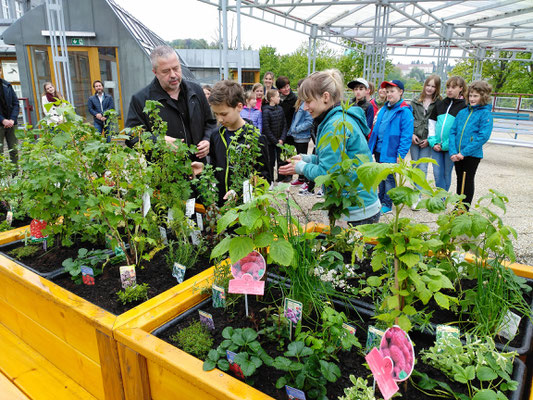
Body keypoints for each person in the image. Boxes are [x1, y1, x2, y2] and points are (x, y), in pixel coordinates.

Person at [279, 69, 380, 227]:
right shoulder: (336, 118)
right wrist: (307, 159)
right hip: (358, 206)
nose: (305, 107)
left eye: (308, 101)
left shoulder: (334, 125)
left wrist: (301, 168)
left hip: (356, 211)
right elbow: (335, 161)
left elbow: (327, 173)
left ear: (325, 97)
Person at [125, 45, 215, 159]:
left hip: (199, 166)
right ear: (155, 72)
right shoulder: (141, 100)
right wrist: (158, 142)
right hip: (164, 168)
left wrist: (208, 140)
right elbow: (132, 137)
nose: (173, 75)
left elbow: (210, 123)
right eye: (166, 71)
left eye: (176, 68)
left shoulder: (196, 91)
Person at [207, 80, 270, 205]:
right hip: (222, 203)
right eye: (216, 114)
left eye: (224, 114)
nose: (219, 119)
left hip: (246, 206)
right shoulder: (216, 135)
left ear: (239, 107)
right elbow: (215, 168)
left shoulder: (255, 138)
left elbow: (264, 179)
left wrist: (240, 192)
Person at [368, 80, 414, 215]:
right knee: (380, 176)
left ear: (401, 92)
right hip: (379, 149)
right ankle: (380, 198)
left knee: (389, 178)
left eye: (392, 91)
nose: (389, 94)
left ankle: (387, 203)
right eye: (387, 91)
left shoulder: (404, 111)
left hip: (391, 150)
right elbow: (376, 128)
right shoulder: (384, 108)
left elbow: (406, 135)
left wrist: (401, 154)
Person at [449, 80, 493, 210]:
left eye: (476, 96)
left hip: (471, 155)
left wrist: (464, 152)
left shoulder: (485, 114)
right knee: (459, 180)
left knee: (467, 181)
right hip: (457, 154)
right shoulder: (462, 112)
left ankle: (464, 209)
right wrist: (453, 151)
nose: (472, 99)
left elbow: (483, 136)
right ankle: (458, 207)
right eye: (470, 95)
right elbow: (453, 131)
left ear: (483, 97)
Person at [427, 76, 467, 191]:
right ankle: (440, 196)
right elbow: (432, 123)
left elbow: (460, 130)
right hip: (436, 145)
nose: (449, 90)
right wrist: (433, 142)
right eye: (448, 87)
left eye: (453, 87)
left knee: (446, 173)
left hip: (451, 147)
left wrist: (446, 144)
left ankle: (442, 197)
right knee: (437, 172)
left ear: (461, 88)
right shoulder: (440, 104)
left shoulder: (464, 107)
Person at [409, 75, 441, 209]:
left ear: (437, 88)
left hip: (428, 139)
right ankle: (415, 193)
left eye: (433, 86)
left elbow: (438, 123)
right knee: (415, 167)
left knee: (423, 167)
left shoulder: (439, 103)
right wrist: (411, 134)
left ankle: (418, 196)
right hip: (415, 138)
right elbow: (409, 119)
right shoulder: (415, 101)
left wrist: (430, 140)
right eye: (428, 85)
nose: (430, 88)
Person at [287, 79, 313, 190]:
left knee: (303, 158)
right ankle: (301, 178)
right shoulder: (299, 101)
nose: (299, 90)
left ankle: (306, 180)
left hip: (302, 136)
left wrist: (297, 129)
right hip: (297, 136)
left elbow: (309, 121)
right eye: (298, 87)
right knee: (298, 156)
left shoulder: (306, 103)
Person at [262, 88, 287, 182]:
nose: (279, 98)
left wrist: (282, 139)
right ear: (272, 98)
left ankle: (280, 179)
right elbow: (266, 128)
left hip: (280, 140)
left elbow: (284, 125)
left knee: (281, 160)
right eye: (278, 96)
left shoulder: (280, 109)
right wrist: (276, 141)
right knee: (270, 162)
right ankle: (271, 180)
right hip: (270, 142)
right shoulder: (266, 111)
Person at [0, 76, 19, 165]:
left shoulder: (7, 85)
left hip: (11, 123)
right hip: (1, 123)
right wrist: (2, 120)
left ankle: (14, 172)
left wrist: (12, 119)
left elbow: (16, 103)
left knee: (14, 149)